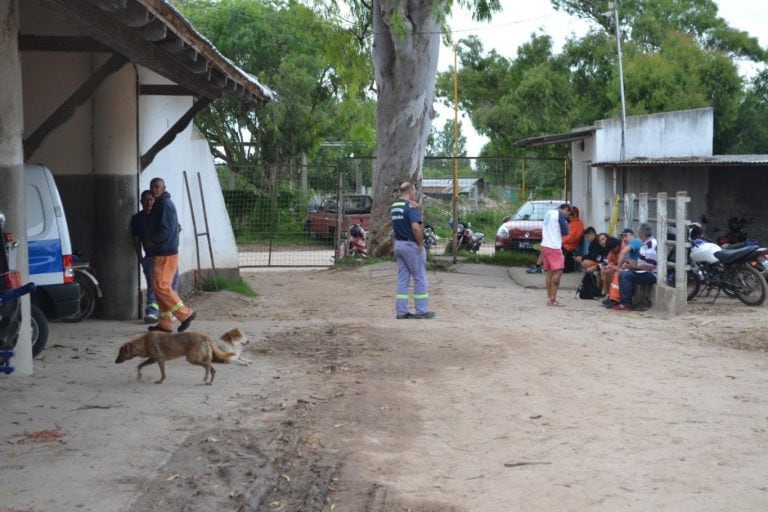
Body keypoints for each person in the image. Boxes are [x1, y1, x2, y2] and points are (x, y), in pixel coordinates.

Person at [144, 177, 196, 332]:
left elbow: (166, 229)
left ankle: (186, 314)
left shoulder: (164, 204)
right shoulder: (161, 203)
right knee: (159, 287)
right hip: (161, 252)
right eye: (152, 187)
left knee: (161, 286)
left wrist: (153, 240)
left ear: (164, 187)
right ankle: (165, 323)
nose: (154, 190)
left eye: (157, 187)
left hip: (164, 252)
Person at [391, 182, 434, 319]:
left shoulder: (394, 207)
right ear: (410, 191)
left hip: (398, 245)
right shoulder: (411, 207)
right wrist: (420, 244)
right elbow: (416, 228)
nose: (415, 193)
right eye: (414, 191)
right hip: (411, 246)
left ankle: (401, 312)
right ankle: (421, 310)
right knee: (420, 277)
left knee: (403, 279)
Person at [612, 223, 658, 311]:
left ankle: (626, 304)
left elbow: (649, 266)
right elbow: (642, 261)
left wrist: (633, 266)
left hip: (652, 274)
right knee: (623, 273)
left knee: (626, 275)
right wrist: (631, 264)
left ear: (642, 233)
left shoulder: (651, 244)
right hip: (644, 271)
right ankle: (624, 301)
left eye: (639, 232)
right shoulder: (645, 243)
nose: (638, 234)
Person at [541, 203, 571, 306]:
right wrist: (566, 223)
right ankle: (553, 299)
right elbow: (566, 231)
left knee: (549, 273)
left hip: (545, 245)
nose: (568, 215)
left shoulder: (548, 213)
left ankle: (549, 297)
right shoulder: (559, 215)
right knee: (558, 273)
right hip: (554, 247)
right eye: (568, 212)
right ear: (564, 209)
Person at [561, 205, 585, 273]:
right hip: (566, 245)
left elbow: (572, 238)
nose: (567, 215)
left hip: (568, 246)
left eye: (568, 213)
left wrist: (561, 241)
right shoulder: (573, 223)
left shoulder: (576, 224)